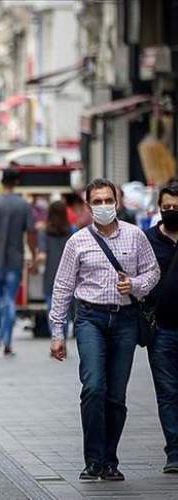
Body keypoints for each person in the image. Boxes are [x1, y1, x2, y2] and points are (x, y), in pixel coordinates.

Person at [50, 178, 160, 481]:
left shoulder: (136, 237)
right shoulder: (78, 241)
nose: (102, 206)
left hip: (125, 320)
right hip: (89, 319)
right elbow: (62, 286)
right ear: (88, 206)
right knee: (94, 387)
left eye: (107, 200)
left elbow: (153, 271)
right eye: (96, 202)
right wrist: (58, 332)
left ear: (118, 202)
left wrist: (135, 285)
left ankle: (110, 459)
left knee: (116, 396)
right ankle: (93, 459)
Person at [0, 168, 37, 356]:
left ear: (1, 182)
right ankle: (8, 342)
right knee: (10, 300)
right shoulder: (24, 205)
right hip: (15, 259)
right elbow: (31, 233)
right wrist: (34, 257)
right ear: (17, 182)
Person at [145, 182, 178, 474]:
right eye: (166, 208)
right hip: (163, 329)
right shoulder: (148, 240)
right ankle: (175, 451)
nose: (171, 213)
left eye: (176, 209)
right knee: (167, 391)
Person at [38, 201, 73, 338]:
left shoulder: (44, 232)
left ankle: (56, 337)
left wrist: (34, 264)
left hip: (51, 275)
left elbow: (42, 255)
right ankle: (62, 336)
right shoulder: (72, 230)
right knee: (66, 310)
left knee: (51, 309)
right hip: (68, 276)